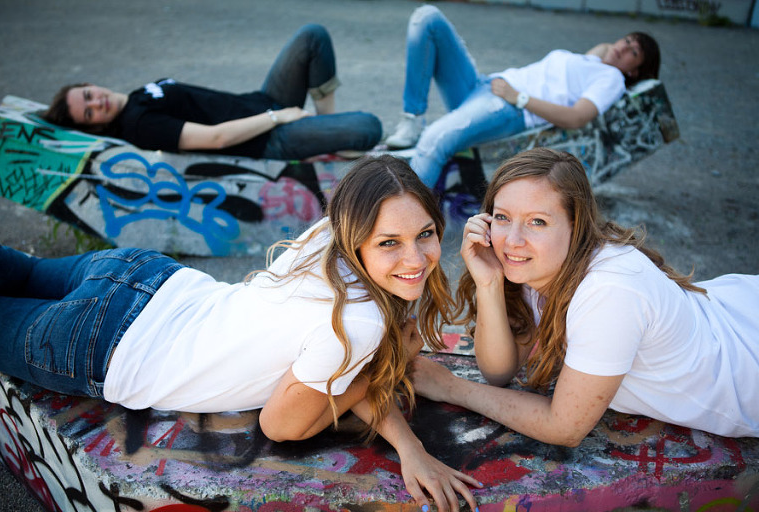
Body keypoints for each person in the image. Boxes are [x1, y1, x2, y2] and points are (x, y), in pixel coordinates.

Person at [0, 155, 482, 512]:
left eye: (425, 234)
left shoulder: (331, 232)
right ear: (359, 239)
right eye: (390, 243)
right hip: (107, 345)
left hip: (142, 275)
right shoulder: (360, 325)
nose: (416, 259)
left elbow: (338, 372)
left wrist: (407, 442)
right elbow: (282, 427)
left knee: (22, 272)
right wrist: (382, 368)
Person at [411, 148, 759, 446]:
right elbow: (499, 371)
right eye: (502, 217)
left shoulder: (609, 292)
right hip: (733, 312)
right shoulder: (540, 264)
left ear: (576, 225)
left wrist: (451, 388)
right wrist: (488, 285)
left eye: (537, 222)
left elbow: (564, 426)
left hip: (745, 370)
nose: (512, 240)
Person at [384, 5, 660, 188]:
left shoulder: (611, 80)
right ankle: (412, 118)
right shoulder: (594, 62)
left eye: (633, 53)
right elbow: (603, 49)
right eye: (627, 40)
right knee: (427, 17)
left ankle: (402, 224)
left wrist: (520, 98)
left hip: (507, 106)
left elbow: (577, 117)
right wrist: (616, 51)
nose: (623, 49)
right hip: (484, 86)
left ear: (635, 71)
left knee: (435, 140)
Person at [42, 24, 382, 161]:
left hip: (260, 103)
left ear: (89, 85)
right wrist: (278, 116)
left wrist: (271, 109)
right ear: (96, 125)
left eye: (88, 95)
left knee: (312, 36)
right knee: (370, 127)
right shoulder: (138, 123)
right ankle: (332, 137)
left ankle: (329, 132)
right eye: (90, 113)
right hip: (267, 137)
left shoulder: (136, 96)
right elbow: (215, 138)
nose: (97, 102)